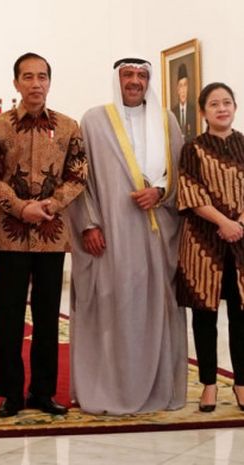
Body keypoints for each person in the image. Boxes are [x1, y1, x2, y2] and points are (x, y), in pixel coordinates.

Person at [67, 57, 187, 414]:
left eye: (141, 75)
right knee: (111, 305)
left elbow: (180, 171)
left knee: (154, 307)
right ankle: (108, 387)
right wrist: (88, 224)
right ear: (116, 79)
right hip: (110, 234)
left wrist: (161, 192)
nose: (134, 81)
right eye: (128, 75)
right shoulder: (93, 120)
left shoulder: (166, 121)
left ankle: (155, 387)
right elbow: (78, 179)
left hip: (154, 233)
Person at [0, 53, 87, 418]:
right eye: (28, 76)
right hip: (10, 236)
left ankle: (43, 391)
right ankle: (10, 393)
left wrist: (53, 204)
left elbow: (78, 175)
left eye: (42, 76)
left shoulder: (69, 127)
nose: (36, 83)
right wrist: (19, 206)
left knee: (46, 319)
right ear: (16, 83)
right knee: (8, 317)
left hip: (51, 235)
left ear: (49, 82)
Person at [176, 82, 244, 412]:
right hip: (203, 244)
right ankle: (208, 385)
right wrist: (224, 222)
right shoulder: (193, 149)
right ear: (203, 112)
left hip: (242, 246)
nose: (222, 108)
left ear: (235, 107)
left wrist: (239, 224)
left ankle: (242, 384)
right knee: (205, 316)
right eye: (214, 104)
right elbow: (190, 193)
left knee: (242, 317)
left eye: (227, 102)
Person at [171, 63, 196, 141]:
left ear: (188, 88)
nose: (183, 90)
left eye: (185, 85)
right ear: (177, 89)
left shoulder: (193, 111)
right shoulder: (173, 113)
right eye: (181, 86)